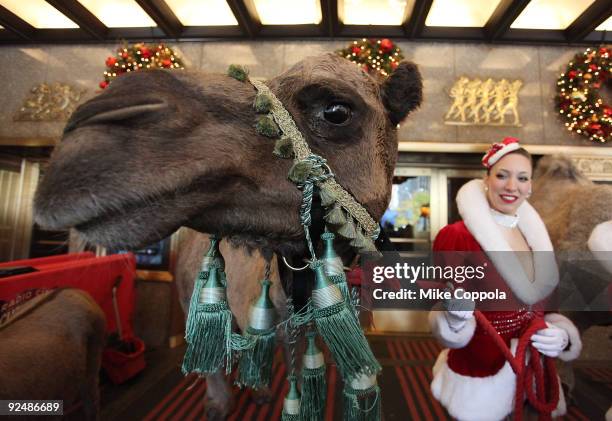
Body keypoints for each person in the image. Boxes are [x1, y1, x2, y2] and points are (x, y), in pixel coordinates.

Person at [429, 137, 582, 420]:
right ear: (487, 179)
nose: (512, 186)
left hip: (536, 370)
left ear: (531, 186)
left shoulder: (535, 237)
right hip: (482, 372)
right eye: (502, 175)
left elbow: (549, 308)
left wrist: (560, 334)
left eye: (522, 178)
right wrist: (453, 316)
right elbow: (444, 303)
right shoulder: (457, 236)